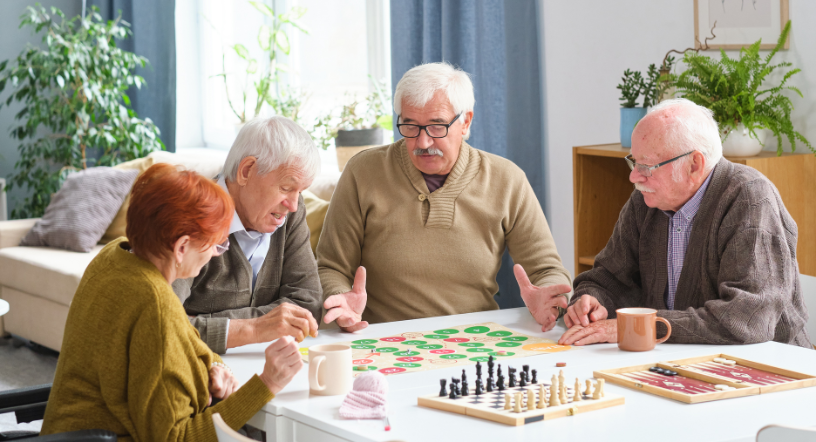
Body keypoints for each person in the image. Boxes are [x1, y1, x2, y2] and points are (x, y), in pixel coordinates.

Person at [42, 164, 303, 440]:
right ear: (181, 248)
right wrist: (267, 383)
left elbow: (185, 339)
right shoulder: (155, 303)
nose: (215, 254)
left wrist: (215, 365)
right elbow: (176, 437)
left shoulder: (114, 256)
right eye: (215, 244)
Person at [317, 62, 571, 332]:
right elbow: (331, 266)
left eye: (437, 126)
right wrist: (340, 299)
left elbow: (546, 270)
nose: (423, 143)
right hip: (382, 338)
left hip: (474, 340)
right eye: (410, 126)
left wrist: (550, 297)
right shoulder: (363, 172)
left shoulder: (507, 179)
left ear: (466, 122)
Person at [558, 98, 811, 348]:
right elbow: (608, 277)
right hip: (675, 359)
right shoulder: (646, 201)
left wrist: (640, 327)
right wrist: (590, 301)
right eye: (634, 161)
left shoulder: (750, 198)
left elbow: (745, 319)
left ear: (694, 165)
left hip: (769, 368)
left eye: (647, 165)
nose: (634, 176)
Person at [173, 117, 322, 354]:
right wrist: (254, 329)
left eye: (300, 192)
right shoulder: (191, 213)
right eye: (285, 188)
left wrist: (204, 322)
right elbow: (166, 328)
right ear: (246, 171)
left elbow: (308, 305)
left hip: (268, 361)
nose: (293, 205)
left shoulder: (290, 212)